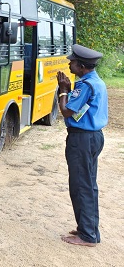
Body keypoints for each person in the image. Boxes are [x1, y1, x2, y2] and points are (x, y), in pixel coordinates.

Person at [56, 44, 108, 247]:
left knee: (81, 186)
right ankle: (89, 229)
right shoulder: (95, 81)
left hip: (82, 139)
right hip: (93, 137)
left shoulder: (85, 85)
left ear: (82, 66)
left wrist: (63, 90)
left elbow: (67, 111)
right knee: (88, 184)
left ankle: (87, 235)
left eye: (73, 62)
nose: (70, 63)